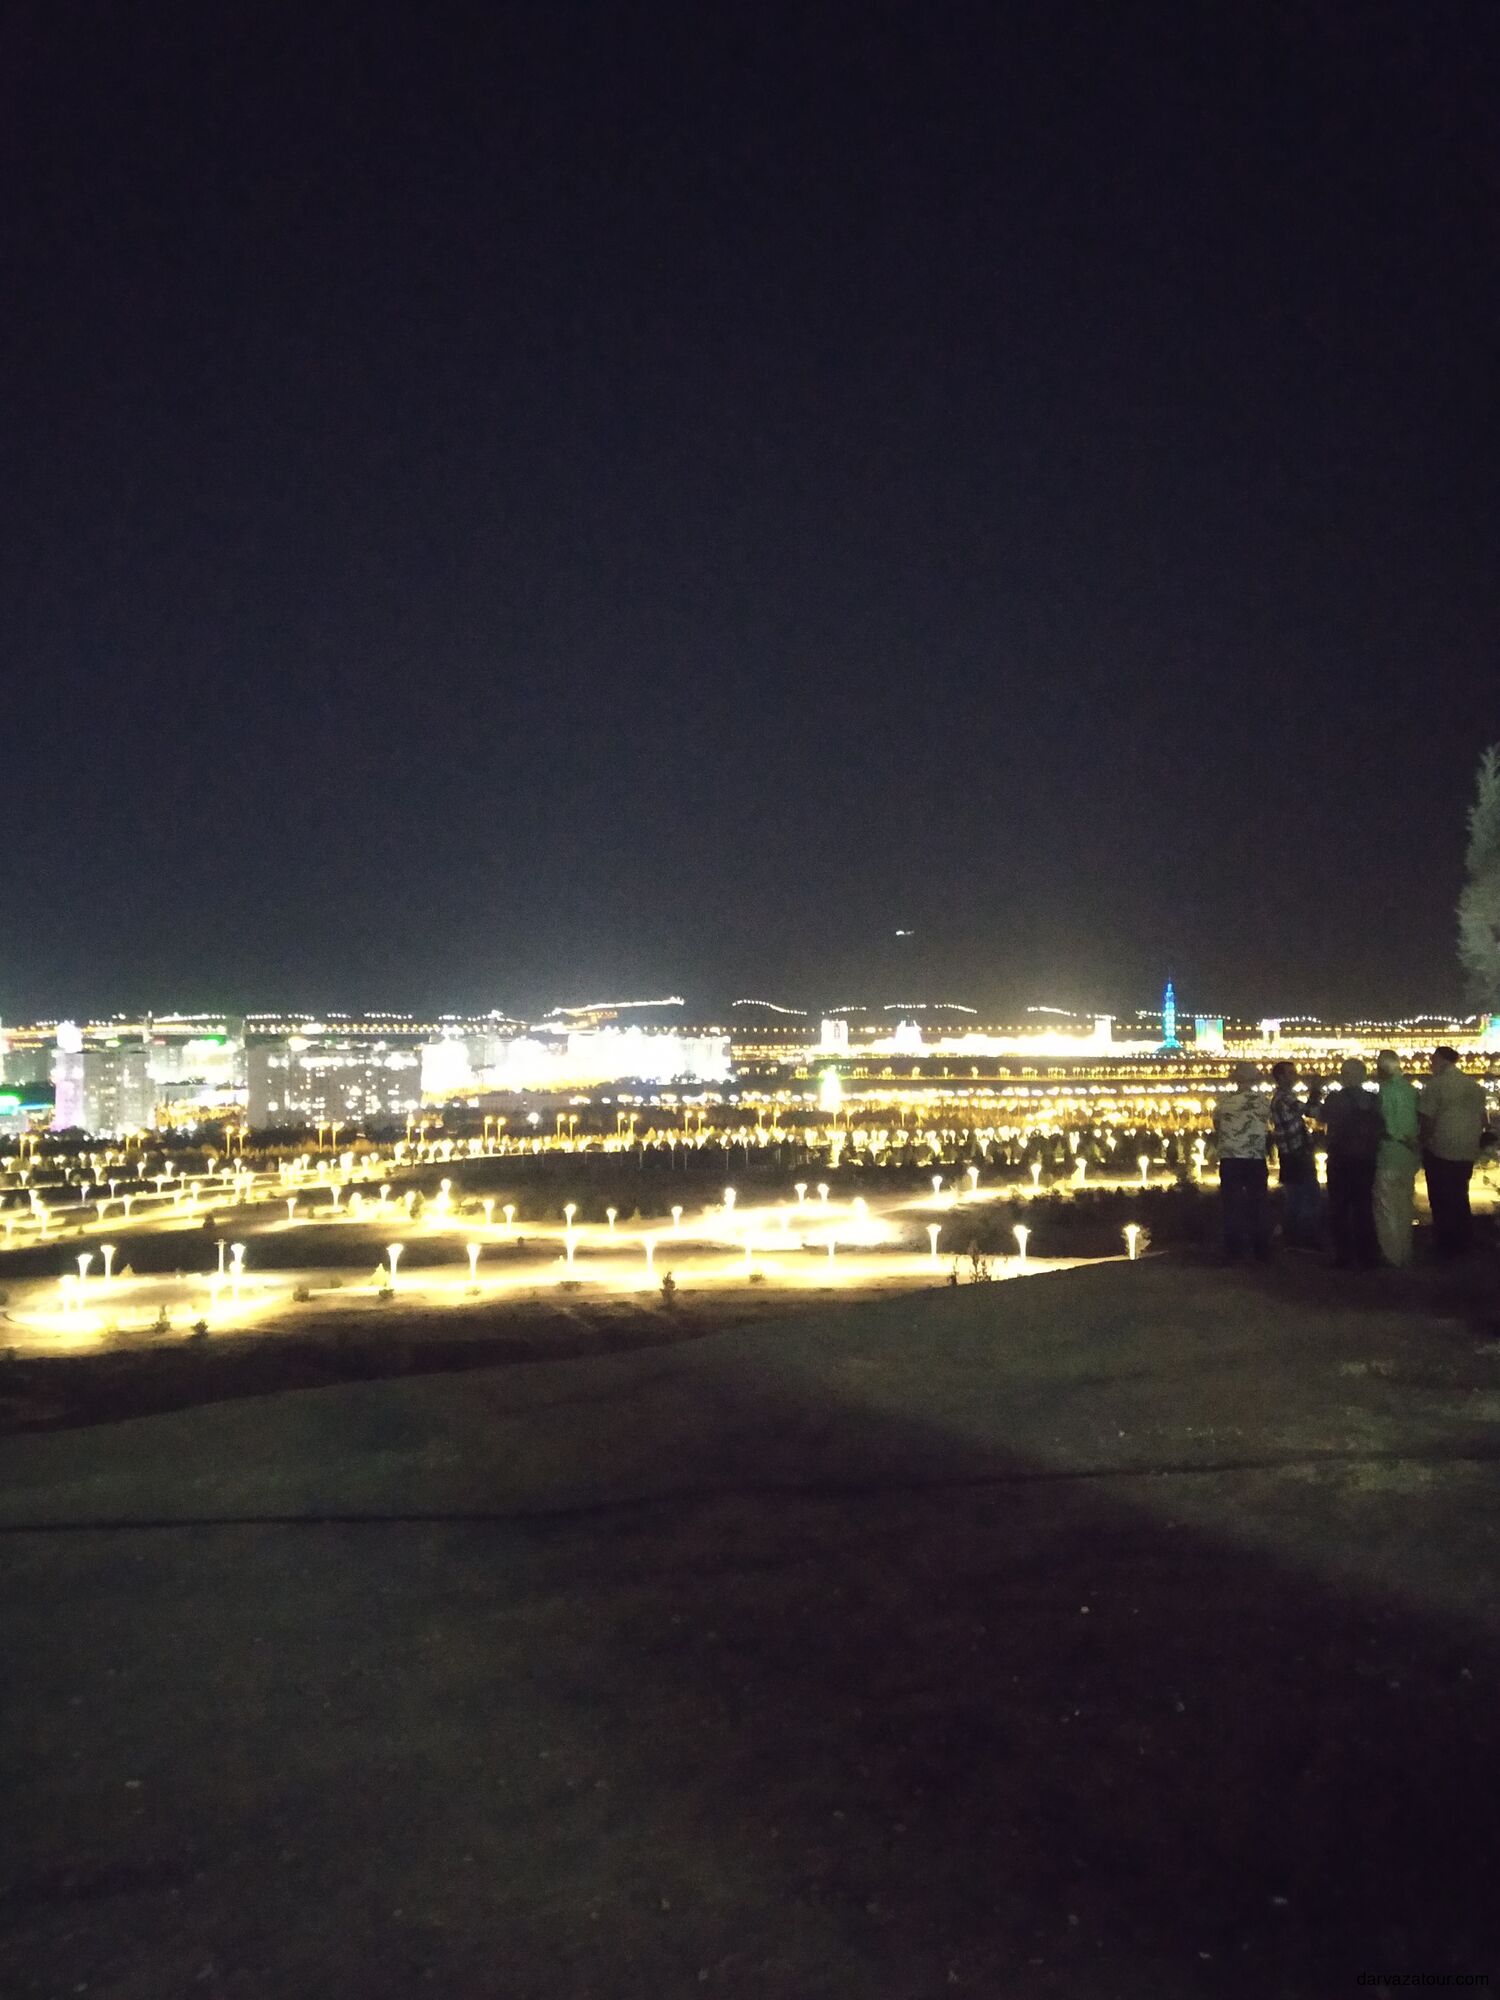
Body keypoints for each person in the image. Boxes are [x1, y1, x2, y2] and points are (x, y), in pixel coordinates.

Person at [1418, 1046, 1486, 1258]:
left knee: (1440, 1199)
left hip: (1441, 1150)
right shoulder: (1474, 1087)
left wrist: (1421, 1141)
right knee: (1459, 1195)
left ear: (1441, 1060)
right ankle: (1464, 1241)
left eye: (1433, 1060)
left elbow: (1426, 1119)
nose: (1431, 1065)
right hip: (1467, 1149)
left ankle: (1446, 1244)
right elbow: (1483, 1120)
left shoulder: (1437, 1085)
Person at [1320, 1058, 1385, 1268]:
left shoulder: (1335, 1100)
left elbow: (1320, 1116)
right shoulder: (1374, 1100)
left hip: (1340, 1159)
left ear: (1343, 1076)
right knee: (1363, 1207)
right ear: (1364, 1076)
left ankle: (1344, 1255)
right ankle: (1367, 1254)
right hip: (1366, 1159)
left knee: (1339, 1208)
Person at [1213, 1061, 1272, 1262]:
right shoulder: (1263, 1101)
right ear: (1255, 1079)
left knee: (1231, 1205)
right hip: (1255, 1158)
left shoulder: (1223, 1101)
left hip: (1230, 1158)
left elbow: (1217, 1125)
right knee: (1259, 1204)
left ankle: (1233, 1252)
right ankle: (1261, 1251)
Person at [1373, 1049, 1420, 1267]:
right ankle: (1406, 1251)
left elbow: (1387, 1125)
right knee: (1405, 1206)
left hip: (1390, 1154)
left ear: (1382, 1070)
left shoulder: (1385, 1092)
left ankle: (1392, 1255)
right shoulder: (1411, 1090)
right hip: (1408, 1156)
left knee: (1387, 1208)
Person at [1269, 1059, 1322, 1247]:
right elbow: (1311, 1111)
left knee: (1296, 1197)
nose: (1295, 1076)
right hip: (1296, 1154)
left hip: (1291, 1154)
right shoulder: (1285, 1098)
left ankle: (1293, 1238)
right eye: (1291, 1073)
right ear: (1281, 1077)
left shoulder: (1281, 1097)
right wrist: (1316, 1091)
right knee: (1306, 1197)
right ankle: (1303, 1238)